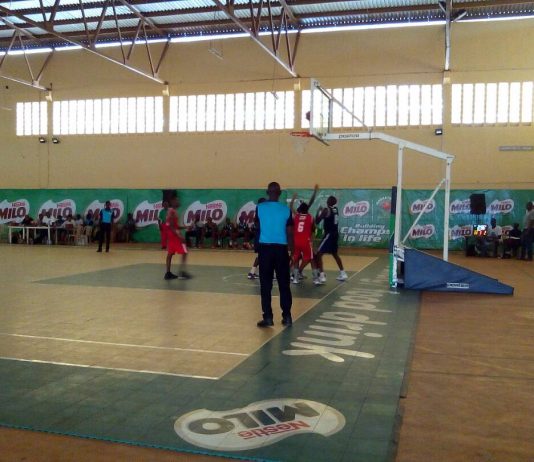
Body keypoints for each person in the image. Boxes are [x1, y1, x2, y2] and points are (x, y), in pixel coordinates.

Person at [256, 182, 293, 327]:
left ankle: (268, 317)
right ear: (280, 193)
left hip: (265, 250)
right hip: (281, 250)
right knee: (284, 284)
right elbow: (289, 233)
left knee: (266, 285)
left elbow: (258, 227)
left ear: (267, 192)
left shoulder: (259, 208)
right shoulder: (286, 210)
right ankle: (287, 317)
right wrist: (292, 251)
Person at [289, 185, 319, 284]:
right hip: (306, 241)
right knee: (311, 258)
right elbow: (314, 229)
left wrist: (293, 199)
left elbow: (291, 207)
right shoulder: (310, 217)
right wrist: (315, 192)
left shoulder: (296, 216)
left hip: (296, 241)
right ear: (307, 209)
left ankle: (295, 278)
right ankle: (314, 278)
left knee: (296, 258)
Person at [314, 195, 348, 283]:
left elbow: (317, 221)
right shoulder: (335, 209)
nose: (327, 201)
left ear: (329, 202)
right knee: (335, 254)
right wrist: (323, 211)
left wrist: (318, 211)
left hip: (329, 235)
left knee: (318, 254)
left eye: (328, 200)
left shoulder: (326, 210)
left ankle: (322, 276)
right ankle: (343, 273)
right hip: (335, 234)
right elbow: (329, 216)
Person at [163, 189, 191, 280]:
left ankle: (168, 273)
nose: (178, 202)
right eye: (177, 200)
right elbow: (171, 226)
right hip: (174, 236)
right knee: (185, 251)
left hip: (171, 235)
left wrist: (185, 227)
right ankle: (182, 272)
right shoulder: (172, 211)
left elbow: (174, 226)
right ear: (172, 201)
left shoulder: (171, 211)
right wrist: (179, 235)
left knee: (170, 253)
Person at [248, 197, 265, 279]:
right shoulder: (260, 212)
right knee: (262, 256)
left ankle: (253, 272)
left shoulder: (259, 213)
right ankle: (252, 272)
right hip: (261, 238)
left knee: (262, 256)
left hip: (260, 238)